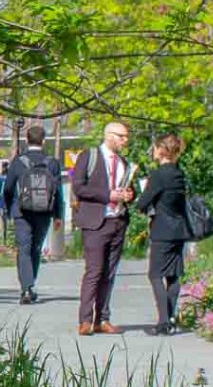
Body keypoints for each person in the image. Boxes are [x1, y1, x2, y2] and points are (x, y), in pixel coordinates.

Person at [70, 119, 136, 335]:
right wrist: (107, 195)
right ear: (109, 135)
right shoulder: (89, 157)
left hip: (117, 221)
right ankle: (85, 320)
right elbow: (79, 187)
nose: (125, 141)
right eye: (121, 136)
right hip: (95, 222)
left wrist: (129, 195)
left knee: (109, 272)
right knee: (94, 271)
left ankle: (103, 319)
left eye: (126, 137)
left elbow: (130, 189)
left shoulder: (124, 163)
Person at [132, 132, 190, 336]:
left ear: (163, 150)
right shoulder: (179, 173)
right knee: (173, 275)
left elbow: (143, 203)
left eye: (156, 148)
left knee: (155, 274)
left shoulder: (158, 175)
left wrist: (142, 196)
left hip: (162, 230)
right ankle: (171, 316)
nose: (154, 152)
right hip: (179, 229)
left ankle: (164, 320)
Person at [0, 123, 63, 304]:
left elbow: (8, 188)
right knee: (36, 248)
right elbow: (57, 191)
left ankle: (26, 288)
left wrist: (8, 208)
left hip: (21, 212)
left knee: (24, 249)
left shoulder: (19, 162)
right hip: (44, 212)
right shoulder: (52, 163)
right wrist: (58, 215)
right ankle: (31, 284)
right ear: (44, 141)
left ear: (27, 140)